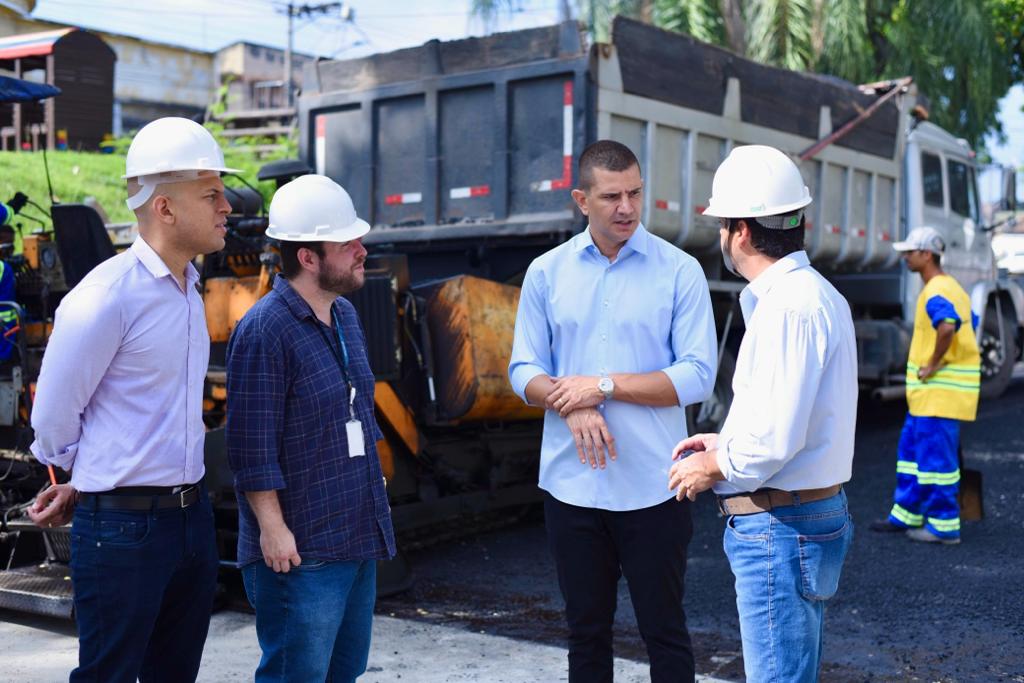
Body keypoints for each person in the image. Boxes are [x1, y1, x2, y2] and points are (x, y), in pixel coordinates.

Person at [27, 116, 234, 682]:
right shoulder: (105, 298)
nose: (227, 207)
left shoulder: (189, 289)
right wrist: (89, 477)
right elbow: (52, 418)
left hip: (191, 522)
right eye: (211, 195)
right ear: (164, 208)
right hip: (122, 530)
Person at [508, 140, 717, 683]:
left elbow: (697, 375)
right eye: (611, 196)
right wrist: (570, 402)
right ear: (581, 200)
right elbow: (523, 370)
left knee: (665, 633)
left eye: (635, 193)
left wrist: (600, 388)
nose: (627, 207)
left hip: (654, 486)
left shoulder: (680, 271)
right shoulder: (546, 272)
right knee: (586, 635)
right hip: (571, 487)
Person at [667, 145, 857, 683]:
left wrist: (713, 466)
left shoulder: (786, 308)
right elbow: (796, 419)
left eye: (723, 224)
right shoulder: (816, 296)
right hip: (803, 516)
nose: (722, 235)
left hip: (780, 528)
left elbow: (772, 441)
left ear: (742, 232)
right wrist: (723, 443)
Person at [226, 174, 395, 682]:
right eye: (347, 244)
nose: (362, 251)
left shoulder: (345, 314)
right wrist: (273, 532)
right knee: (294, 676)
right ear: (308, 257)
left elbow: (357, 412)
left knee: (345, 672)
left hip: (355, 537)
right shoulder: (264, 330)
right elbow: (251, 449)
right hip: (301, 553)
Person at [870, 226, 980, 544]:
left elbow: (947, 327)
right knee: (913, 457)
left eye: (910, 252)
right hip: (929, 399)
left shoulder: (936, 291)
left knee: (935, 463)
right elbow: (970, 323)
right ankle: (906, 514)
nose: (905, 257)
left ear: (927, 254)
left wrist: (932, 364)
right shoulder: (952, 287)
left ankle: (944, 526)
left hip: (937, 397)